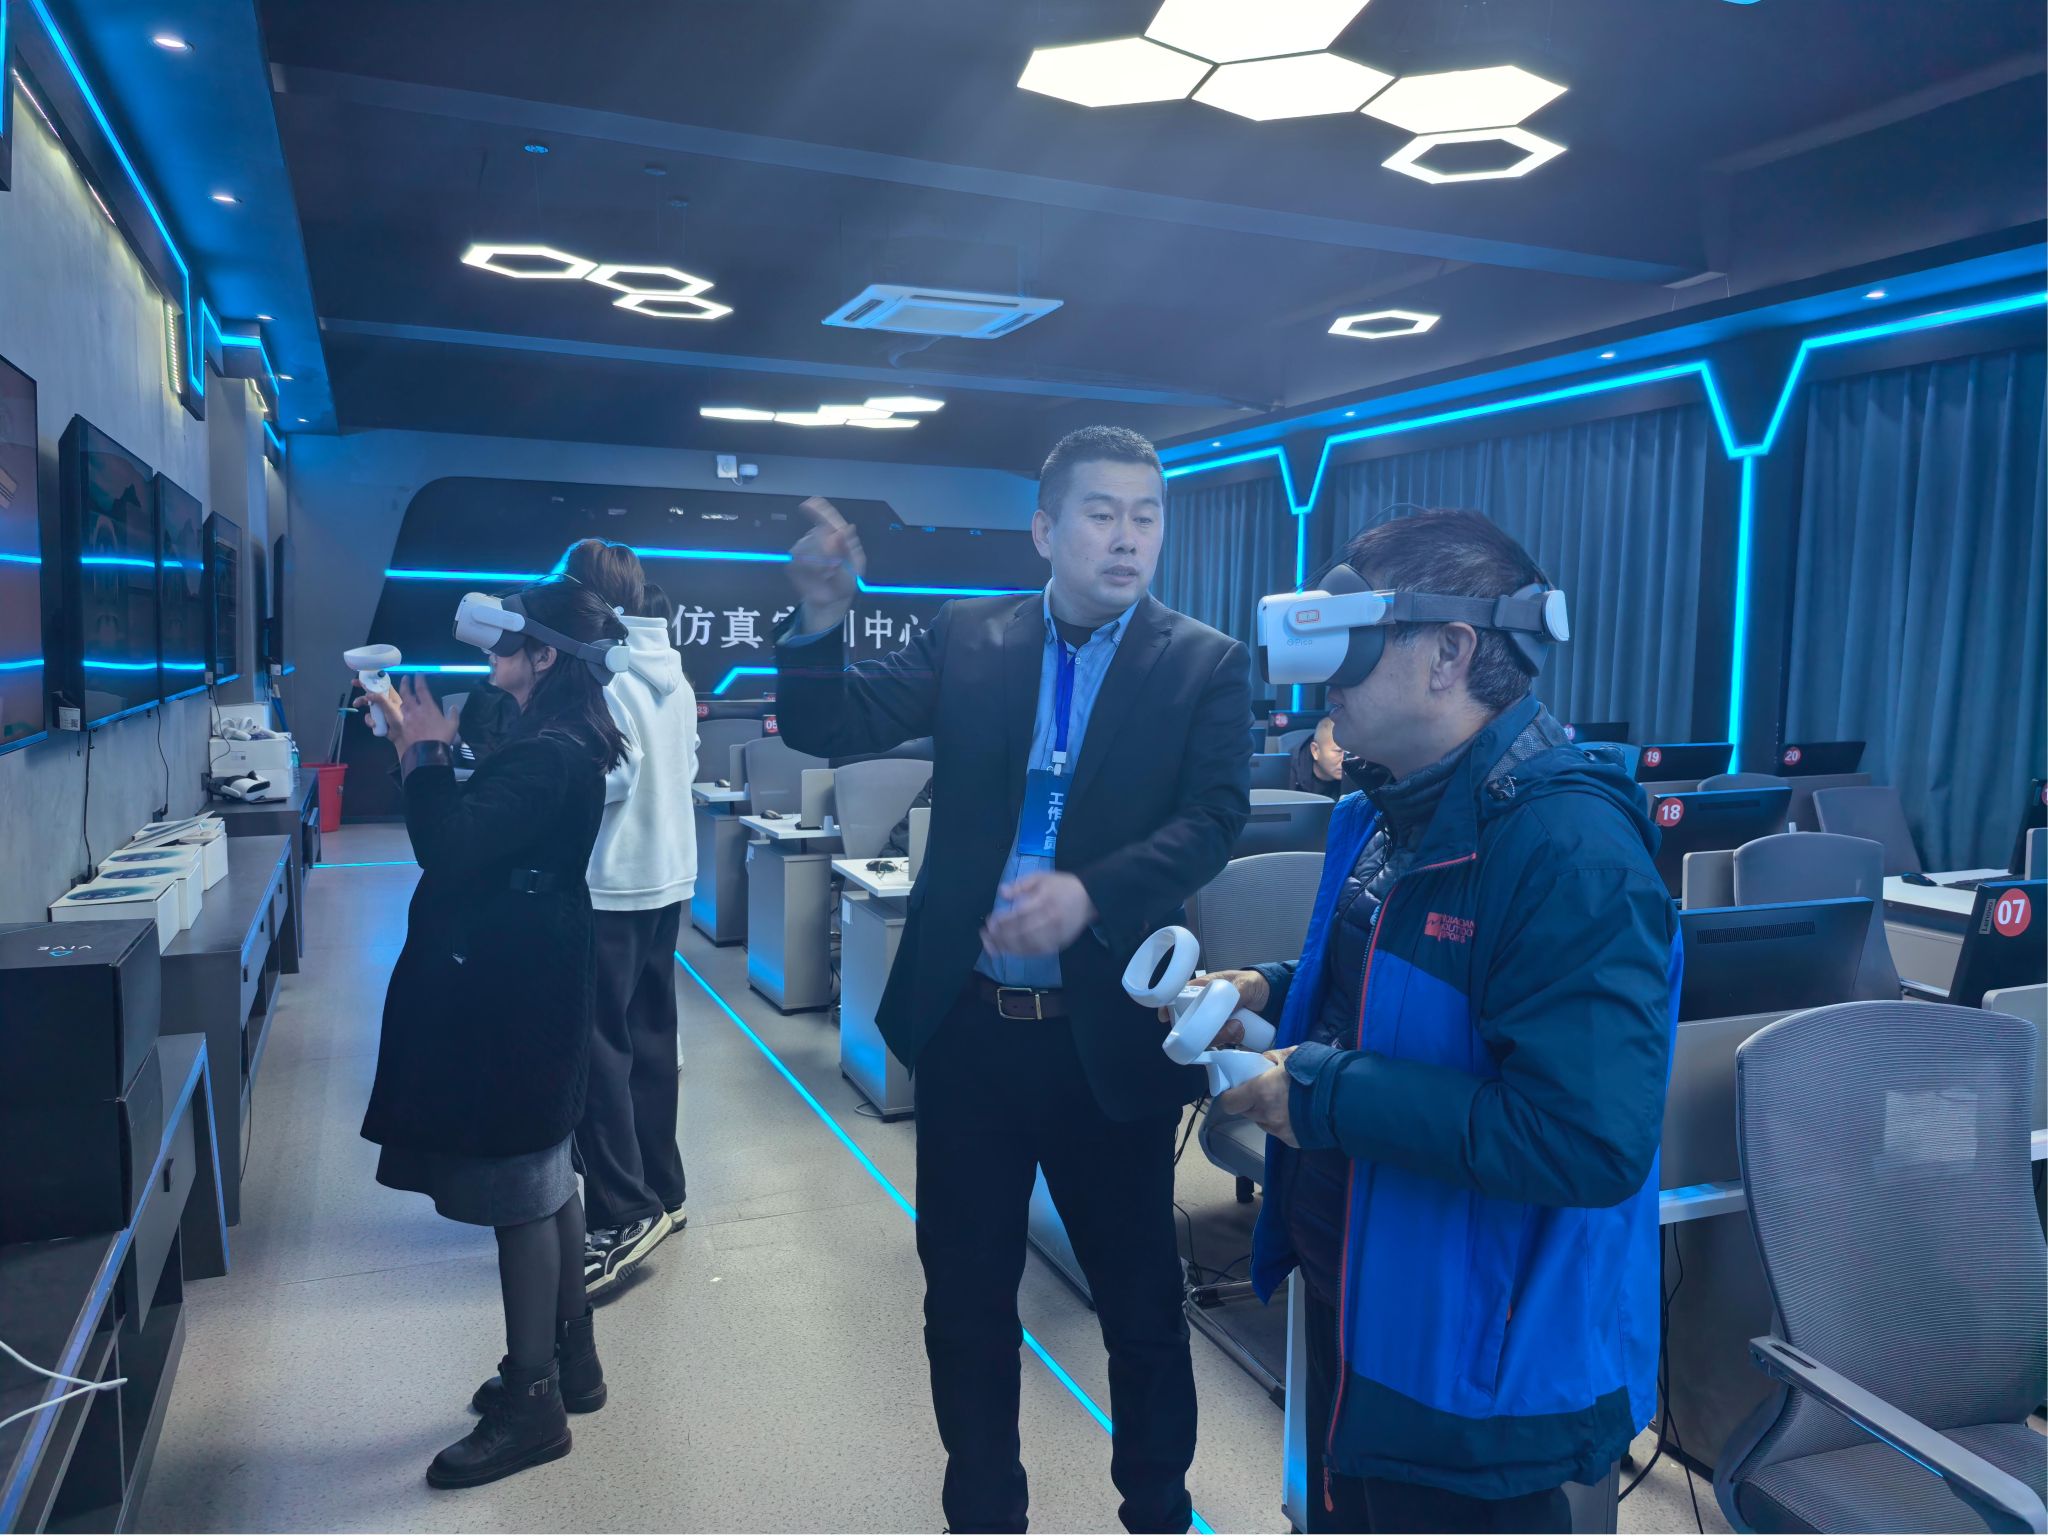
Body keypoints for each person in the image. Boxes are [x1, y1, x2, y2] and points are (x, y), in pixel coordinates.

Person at [774, 426, 1252, 1534]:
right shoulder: (969, 636)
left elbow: (1214, 818)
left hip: (1106, 1038)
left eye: (1145, 516)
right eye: (1101, 513)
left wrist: (1092, 891)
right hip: (973, 1027)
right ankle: (984, 1512)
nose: (1127, 537)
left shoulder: (1202, 661)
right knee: (965, 1299)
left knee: (1140, 1304)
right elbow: (827, 724)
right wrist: (820, 613)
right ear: (1045, 529)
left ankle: (1156, 1508)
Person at [1212, 509, 1679, 1533]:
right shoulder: (1389, 812)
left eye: (1353, 644)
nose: (1324, 680)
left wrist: (1316, 1093)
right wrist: (1265, 988)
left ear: (1449, 653)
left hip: (1472, 1359)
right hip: (1364, 1289)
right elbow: (1400, 987)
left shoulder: (1565, 851)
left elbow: (1584, 1140)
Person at [358, 578, 630, 1489]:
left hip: (517, 982)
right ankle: (572, 1361)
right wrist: (421, 749)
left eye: (507, 642)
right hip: (536, 966)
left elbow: (448, 845)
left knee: (523, 1186)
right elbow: (488, 825)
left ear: (545, 656)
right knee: (549, 1173)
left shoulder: (550, 752)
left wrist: (424, 757)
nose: (492, 655)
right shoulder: (558, 738)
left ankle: (534, 1402)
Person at [559, 539, 700, 1295]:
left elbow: (610, 779)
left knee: (598, 1050)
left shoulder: (600, 671)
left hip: (609, 883)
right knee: (650, 1041)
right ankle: (665, 1192)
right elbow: (687, 763)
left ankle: (622, 1210)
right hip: (668, 876)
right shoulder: (670, 666)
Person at [1288, 715, 1369, 799]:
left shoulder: (1359, 769)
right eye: (1338, 751)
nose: (1345, 760)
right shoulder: (1288, 776)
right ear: (1315, 750)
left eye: (1351, 752)